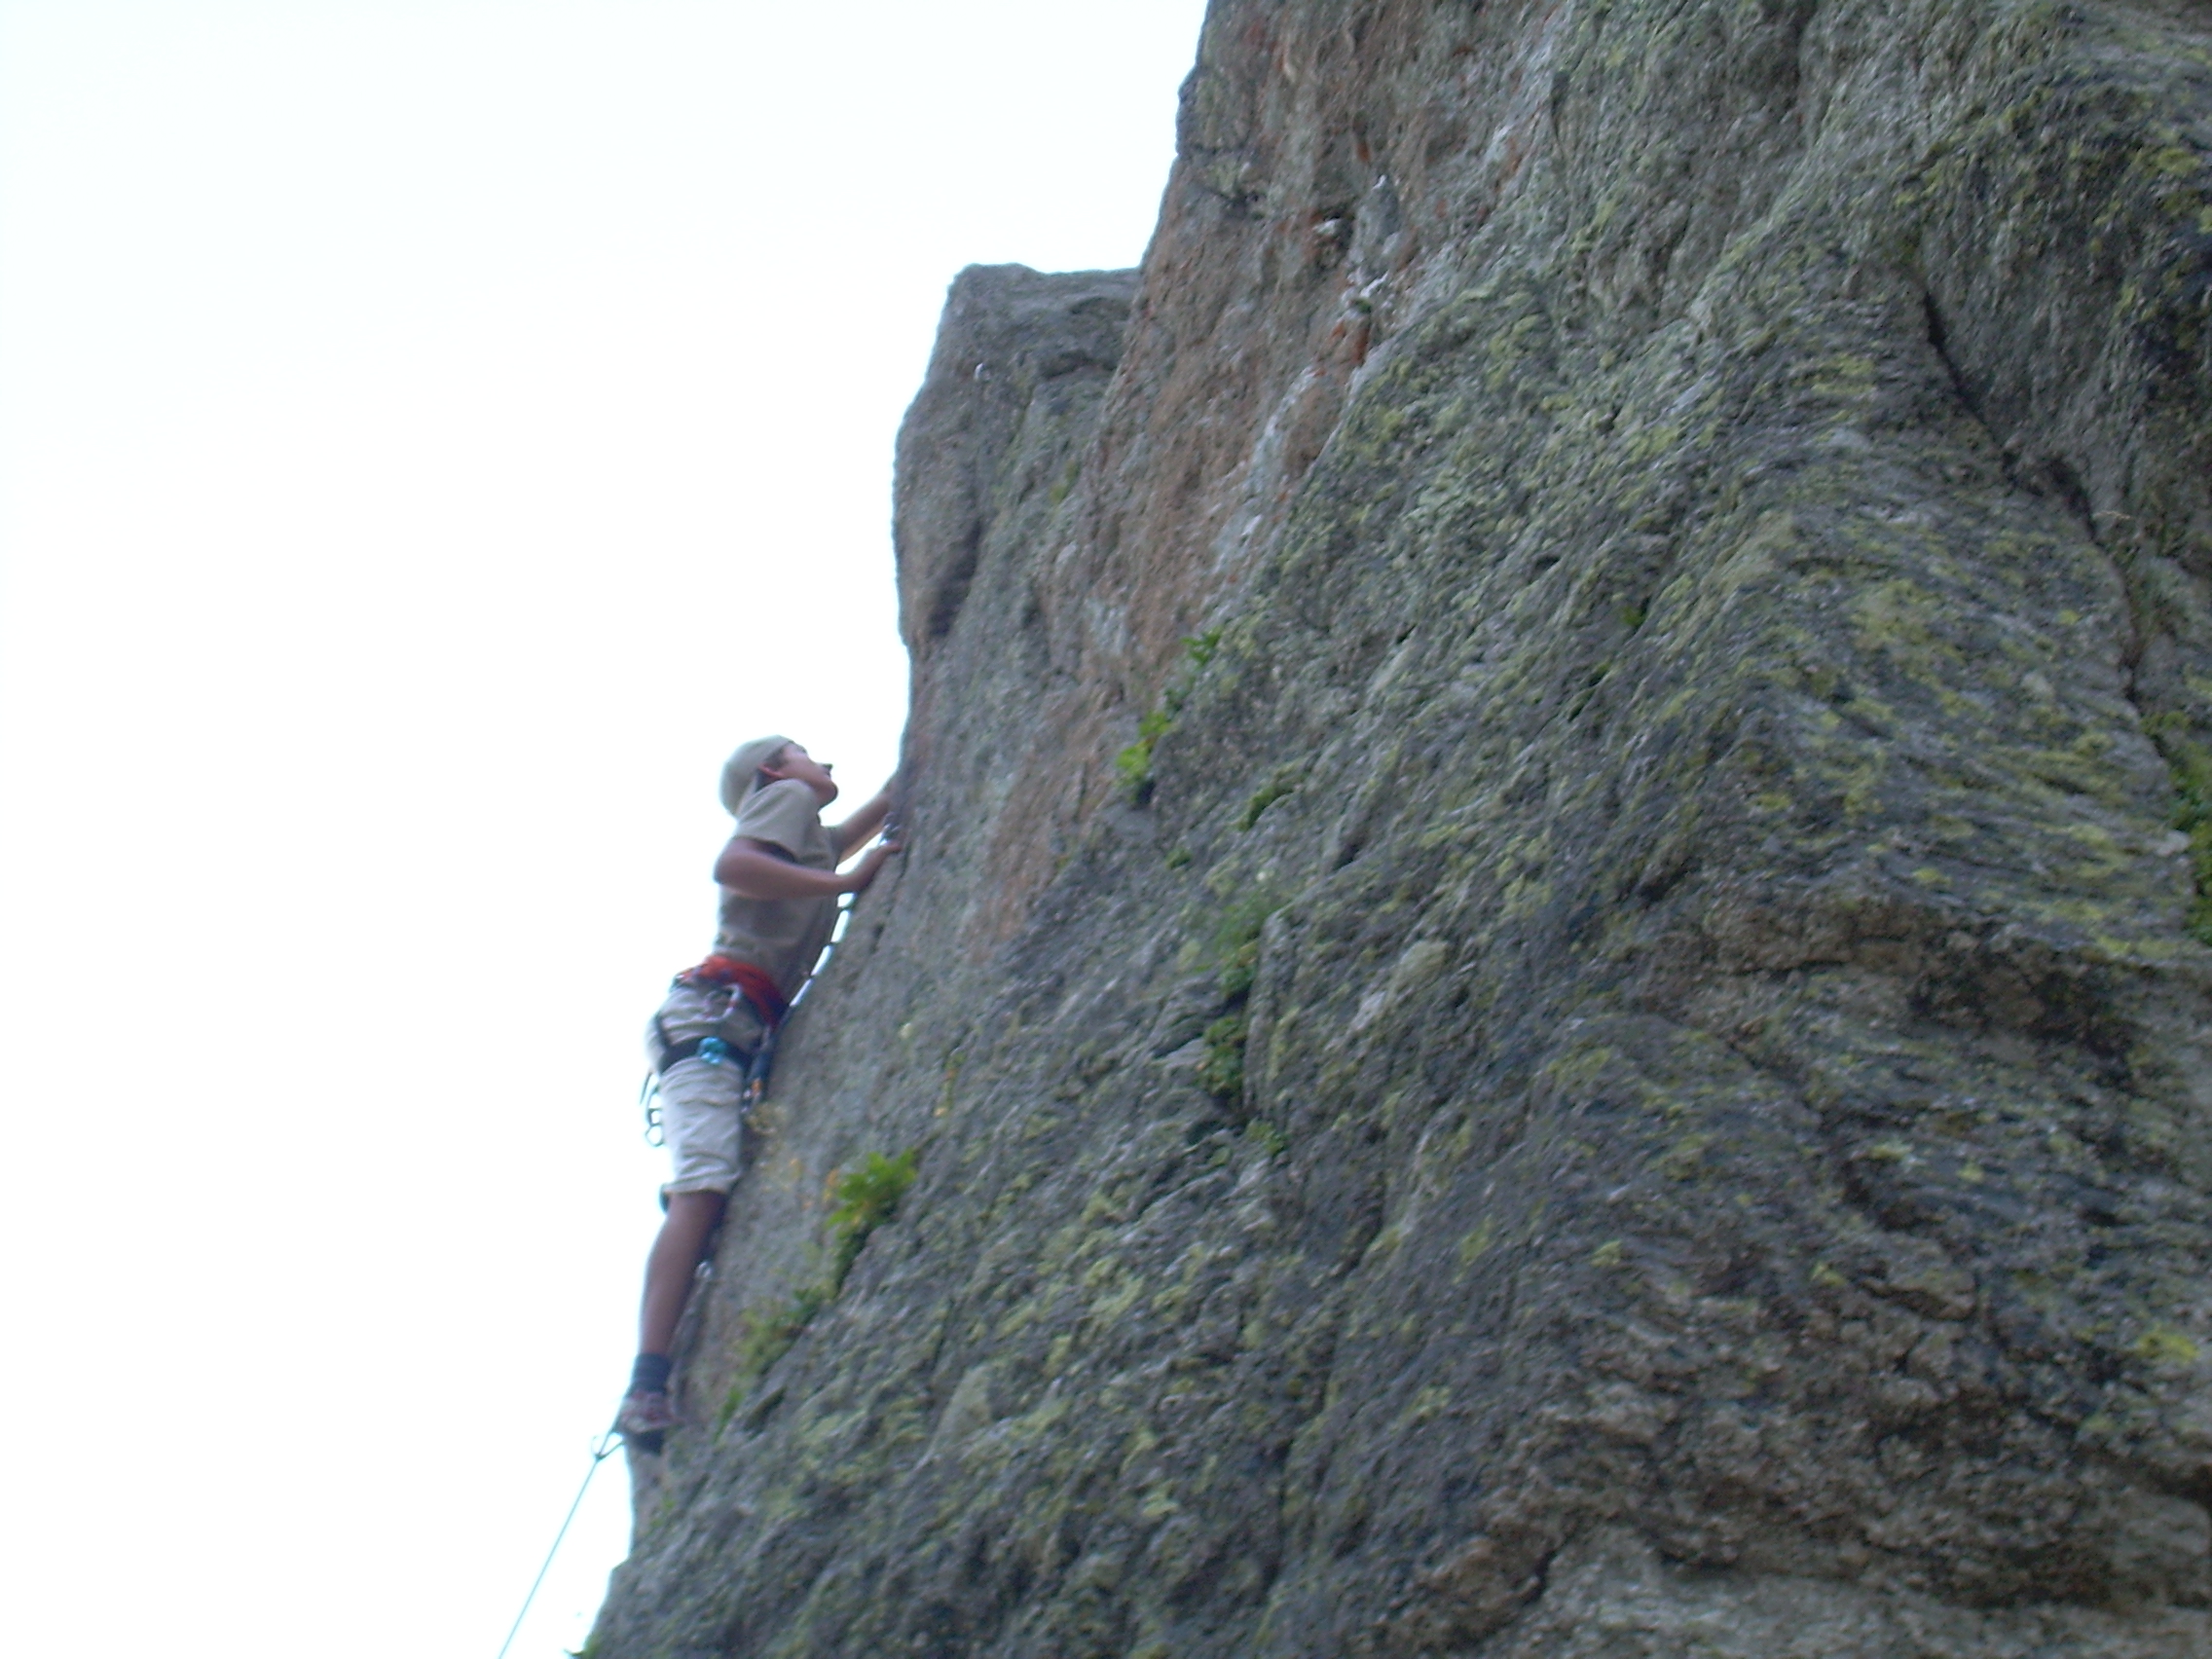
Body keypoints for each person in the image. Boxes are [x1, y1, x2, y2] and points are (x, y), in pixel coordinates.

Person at [617, 734, 898, 1439]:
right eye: (807, 752)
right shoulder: (787, 799)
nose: (824, 766)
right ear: (773, 772)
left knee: (704, 1190)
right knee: (703, 1189)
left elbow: (880, 809)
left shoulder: (806, 833)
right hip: (714, 1023)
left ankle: (690, 1217)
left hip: (724, 1027)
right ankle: (647, 1385)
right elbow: (734, 864)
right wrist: (844, 885)